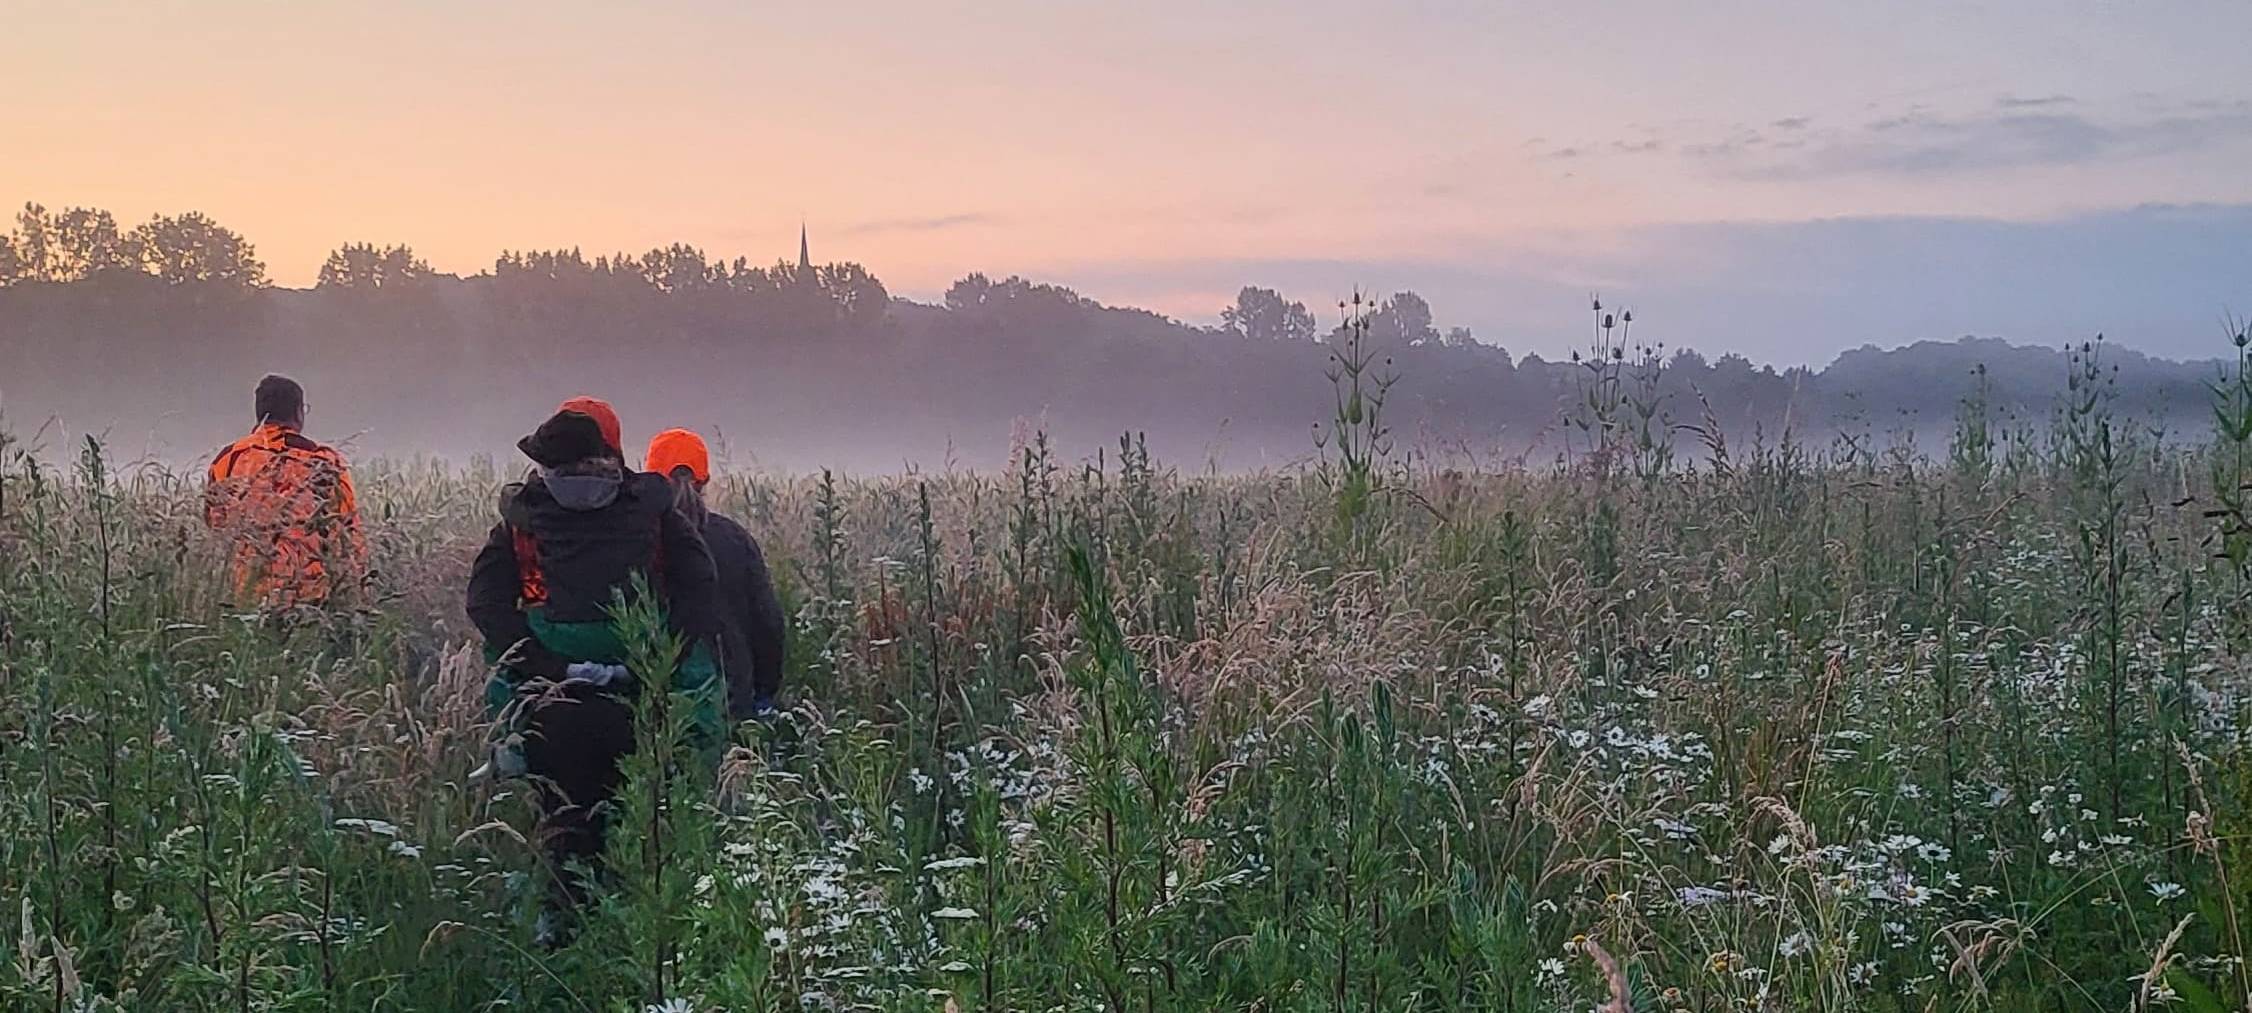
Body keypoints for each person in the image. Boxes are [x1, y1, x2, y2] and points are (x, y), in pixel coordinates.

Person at [464, 399, 725, 941]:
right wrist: (662, 658)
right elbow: (700, 588)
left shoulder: (522, 520)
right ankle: (646, 936)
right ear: (610, 453)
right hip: (642, 697)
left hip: (549, 702)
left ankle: (564, 931)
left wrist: (541, 662)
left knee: (565, 817)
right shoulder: (653, 511)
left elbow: (486, 602)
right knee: (642, 813)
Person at [644, 428, 787, 719]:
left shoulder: (638, 538)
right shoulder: (735, 538)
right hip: (731, 696)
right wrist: (763, 693)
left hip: (657, 697)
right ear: (705, 480)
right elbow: (768, 622)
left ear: (650, 476)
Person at [203, 374, 365, 608]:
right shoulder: (323, 460)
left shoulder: (228, 459)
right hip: (310, 596)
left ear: (260, 413)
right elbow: (348, 531)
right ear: (298, 412)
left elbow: (216, 521)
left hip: (248, 594)